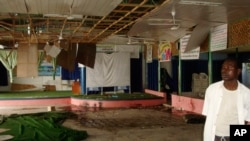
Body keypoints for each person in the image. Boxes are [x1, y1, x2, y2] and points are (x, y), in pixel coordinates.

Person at [202, 57, 250, 141]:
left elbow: (248, 121)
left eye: (230, 68)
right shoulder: (212, 89)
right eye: (223, 67)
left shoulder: (246, 93)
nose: (224, 70)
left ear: (238, 71)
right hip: (214, 136)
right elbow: (207, 114)